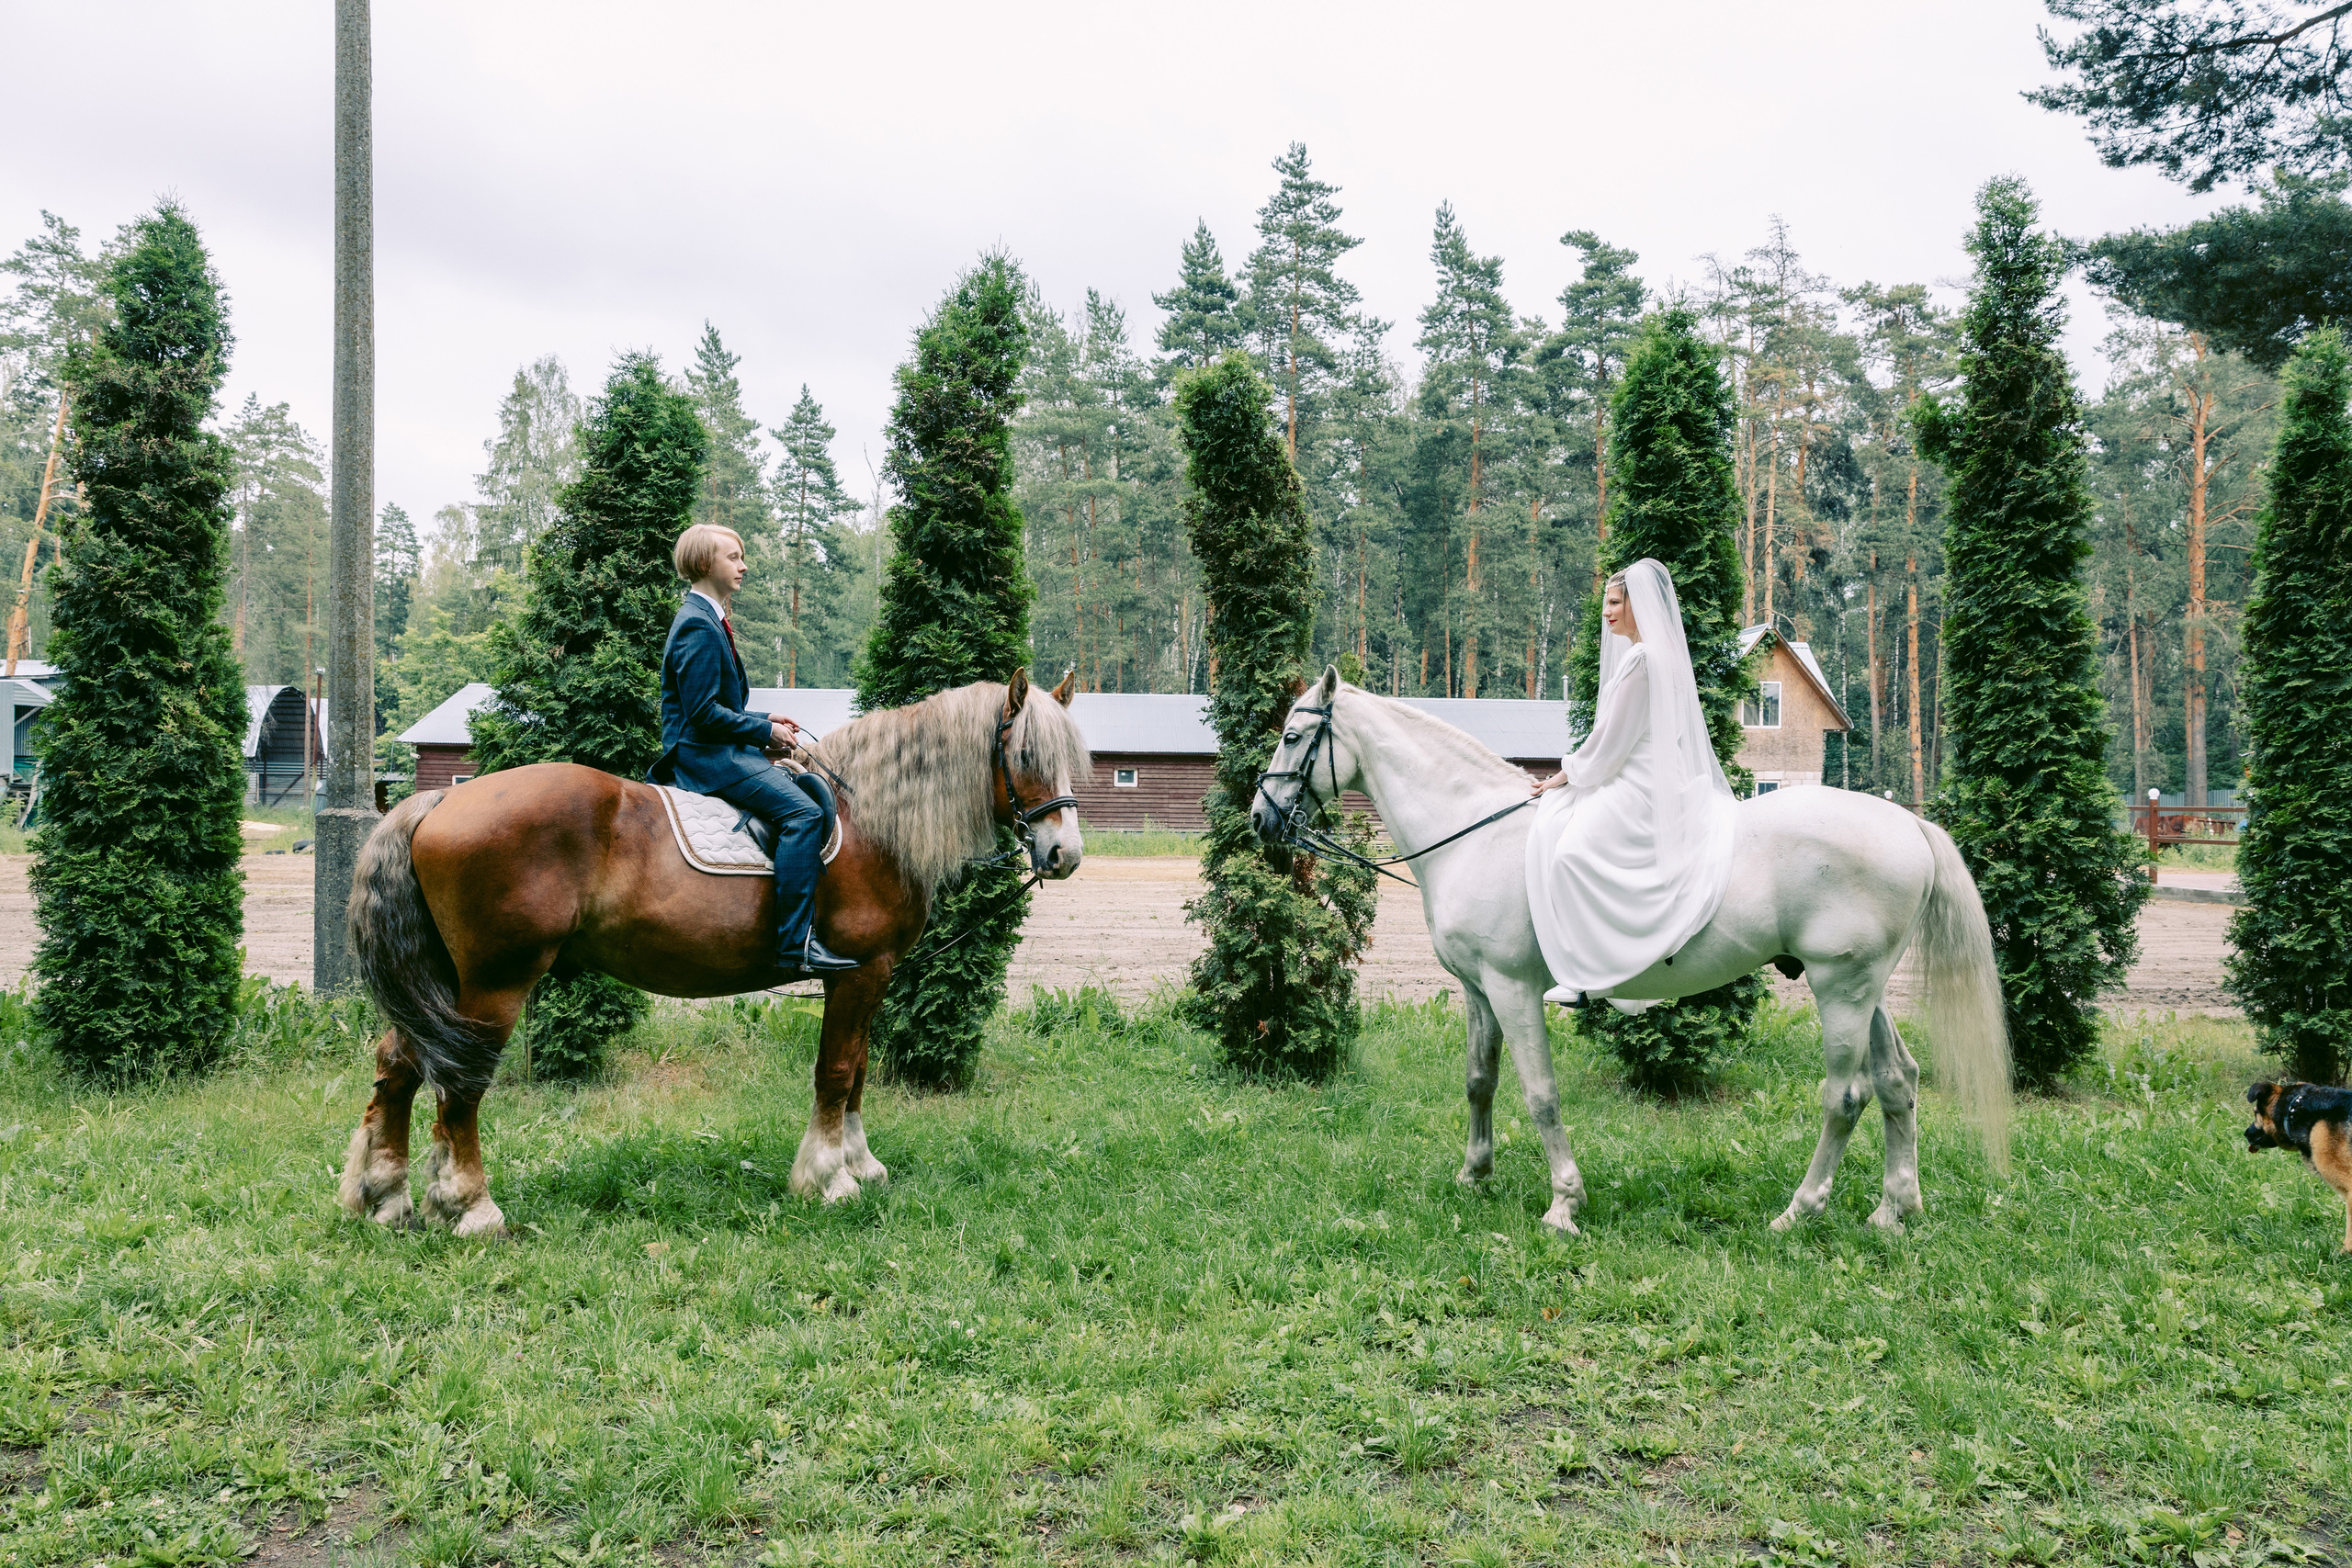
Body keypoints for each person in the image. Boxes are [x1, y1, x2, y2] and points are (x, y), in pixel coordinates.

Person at [1524, 558, 1736, 1006]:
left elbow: (1611, 743)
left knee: (1570, 856)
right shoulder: (1661, 656)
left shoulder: (1642, 660)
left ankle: (1590, 974)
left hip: (1639, 781)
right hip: (1653, 771)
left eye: (1615, 602)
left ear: (1639, 605)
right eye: (1607, 602)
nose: (1607, 612)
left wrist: (1564, 775)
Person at [650, 523, 857, 975]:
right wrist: (764, 736)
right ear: (705, 564)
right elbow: (702, 715)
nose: (743, 566)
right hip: (702, 756)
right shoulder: (698, 627)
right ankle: (794, 947)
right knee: (804, 813)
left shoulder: (710, 618)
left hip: (718, 747)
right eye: (733, 557)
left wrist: (765, 720)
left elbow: (717, 705)